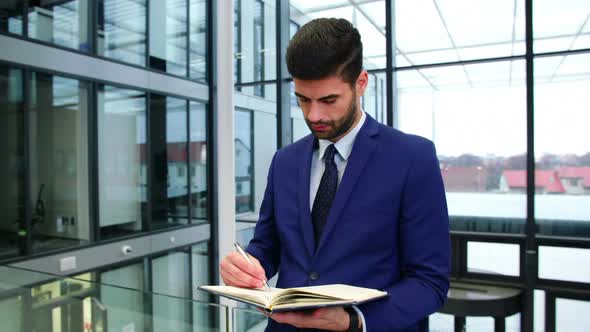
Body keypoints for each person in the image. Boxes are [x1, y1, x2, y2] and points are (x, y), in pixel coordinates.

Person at [221, 17, 450, 332]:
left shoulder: (412, 158)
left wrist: (353, 320)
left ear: (361, 84)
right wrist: (247, 265)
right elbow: (268, 245)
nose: (314, 115)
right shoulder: (284, 161)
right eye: (303, 99)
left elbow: (430, 282)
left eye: (329, 100)